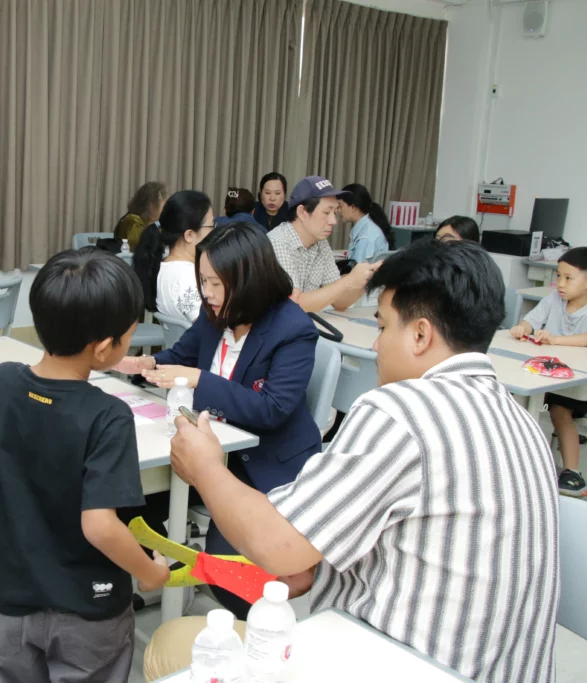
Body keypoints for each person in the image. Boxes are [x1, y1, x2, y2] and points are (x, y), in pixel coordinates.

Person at [152, 239, 560, 682]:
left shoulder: (400, 412)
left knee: (171, 645)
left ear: (420, 334)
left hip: (402, 663)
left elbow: (277, 547)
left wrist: (206, 467)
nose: (377, 345)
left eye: (383, 327)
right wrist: (318, 564)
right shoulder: (524, 421)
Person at [0, 248, 170, 683]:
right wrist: (150, 572)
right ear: (104, 348)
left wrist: (17, 473)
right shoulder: (108, 415)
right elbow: (100, 526)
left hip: (9, 611)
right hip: (88, 615)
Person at [117, 223, 320, 618]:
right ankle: (167, 572)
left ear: (248, 279)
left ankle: (250, 612)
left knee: (234, 586)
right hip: (207, 453)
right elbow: (181, 356)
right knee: (124, 498)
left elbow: (272, 408)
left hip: (261, 465)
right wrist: (147, 364)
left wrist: (199, 379)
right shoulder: (215, 314)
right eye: (203, 280)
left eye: (215, 283)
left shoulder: (293, 328)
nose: (206, 292)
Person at [510, 246, 587, 496]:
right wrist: (523, 328)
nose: (560, 284)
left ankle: (572, 473)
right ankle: (522, 461)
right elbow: (530, 320)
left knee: (559, 410)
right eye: (558, 276)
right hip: (548, 377)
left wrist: (555, 340)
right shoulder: (552, 300)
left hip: (583, 382)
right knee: (517, 400)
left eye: (568, 278)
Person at [267, 175, 378, 313]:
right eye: (326, 212)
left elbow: (340, 302)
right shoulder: (277, 242)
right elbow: (292, 305)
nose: (334, 221)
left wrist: (367, 279)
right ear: (302, 212)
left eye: (335, 212)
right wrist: (348, 281)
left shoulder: (321, 243)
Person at [133, 190, 214, 325]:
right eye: (211, 226)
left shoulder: (162, 266)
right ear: (189, 235)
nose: (214, 232)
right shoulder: (187, 277)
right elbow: (206, 328)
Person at [339, 183, 392, 262]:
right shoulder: (365, 228)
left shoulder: (365, 237)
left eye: (340, 206)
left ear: (353, 207)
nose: (338, 210)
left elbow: (358, 268)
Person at [114, 181, 168, 250]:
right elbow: (141, 245)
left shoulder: (156, 223)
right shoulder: (132, 220)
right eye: (164, 207)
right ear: (151, 206)